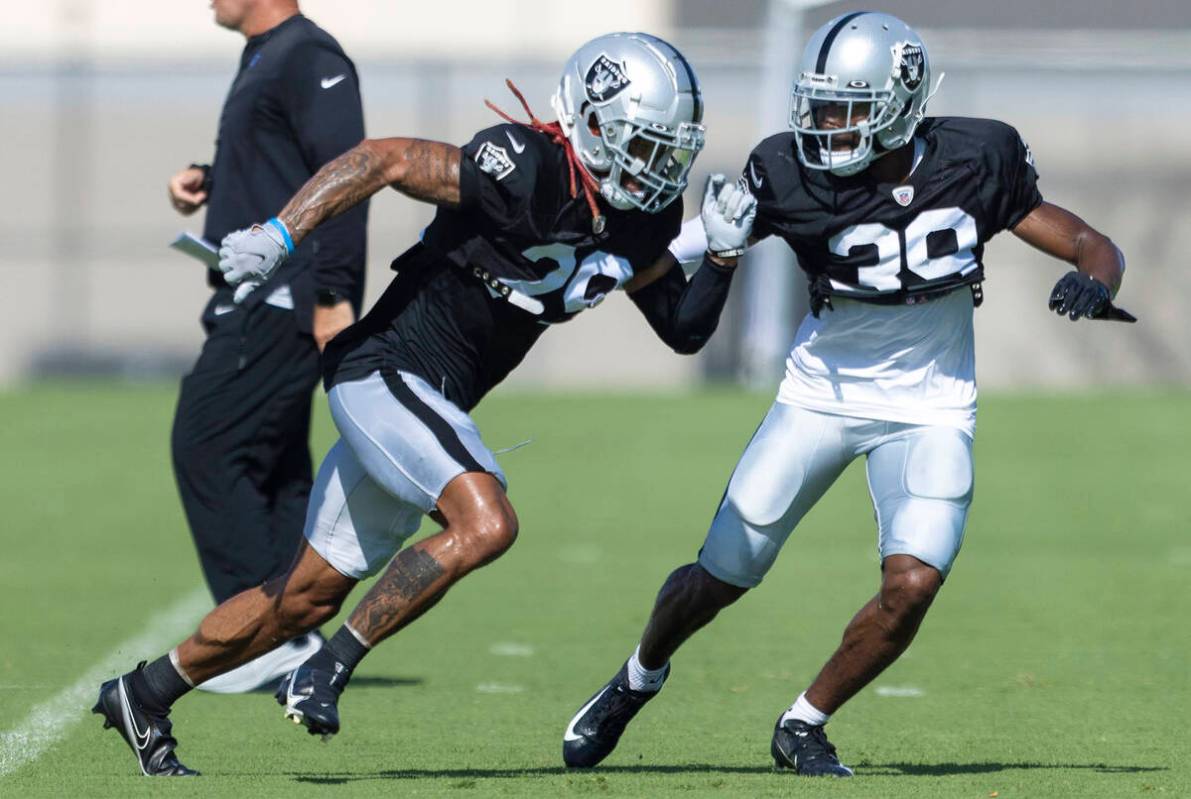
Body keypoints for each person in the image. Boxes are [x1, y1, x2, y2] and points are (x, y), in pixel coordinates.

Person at [93, 32, 754, 776]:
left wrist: (724, 257)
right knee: (487, 519)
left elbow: (681, 328)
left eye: (668, 150)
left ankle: (145, 691)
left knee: (300, 598)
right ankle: (330, 666)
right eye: (643, 143)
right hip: (382, 370)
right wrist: (280, 233)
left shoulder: (639, 219)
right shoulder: (523, 164)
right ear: (590, 122)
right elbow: (383, 159)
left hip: (425, 404)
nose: (657, 167)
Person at [562, 12, 1135, 778]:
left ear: (900, 103)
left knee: (912, 583)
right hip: (819, 394)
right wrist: (600, 258)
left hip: (930, 403)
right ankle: (638, 676)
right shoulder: (788, 169)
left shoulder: (977, 155)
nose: (823, 124)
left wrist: (1094, 278)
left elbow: (1088, 239)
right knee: (723, 571)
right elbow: (695, 239)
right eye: (817, 103)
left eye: (845, 107)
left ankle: (803, 722)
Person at [165, 0, 367, 693]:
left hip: (283, 298)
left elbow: (347, 174)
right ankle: (291, 629)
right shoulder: (265, 55)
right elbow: (282, 168)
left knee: (207, 441)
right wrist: (210, 178)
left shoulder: (309, 55)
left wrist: (335, 292)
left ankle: (254, 636)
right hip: (257, 296)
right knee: (277, 469)